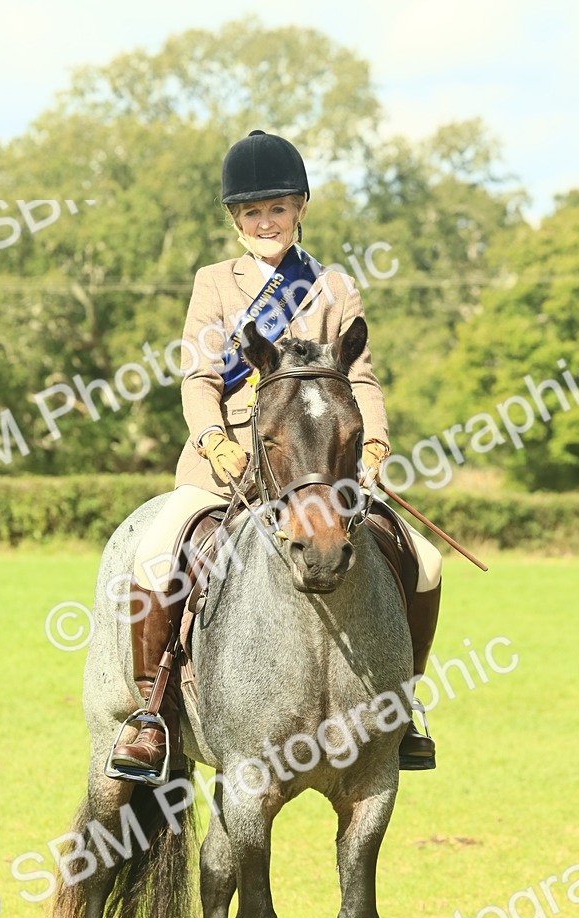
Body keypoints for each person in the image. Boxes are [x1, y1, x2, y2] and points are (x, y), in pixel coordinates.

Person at [108, 130, 442, 782]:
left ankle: (402, 707)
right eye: (253, 212)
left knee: (424, 562)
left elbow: (361, 377)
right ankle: (151, 713)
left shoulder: (333, 286)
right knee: (157, 552)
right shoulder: (214, 283)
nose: (267, 222)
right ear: (236, 221)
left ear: (300, 209)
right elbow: (199, 378)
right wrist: (215, 443)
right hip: (230, 462)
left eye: (278, 209)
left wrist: (374, 442)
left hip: (320, 468)